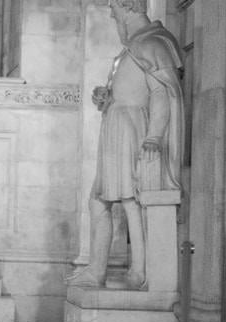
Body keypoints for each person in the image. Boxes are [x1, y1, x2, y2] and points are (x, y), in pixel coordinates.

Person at [67, 0, 183, 289]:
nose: (111, 14)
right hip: (116, 126)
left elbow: (161, 93)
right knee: (99, 200)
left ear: (129, 6)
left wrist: (155, 135)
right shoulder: (131, 48)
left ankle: (140, 270)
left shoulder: (153, 43)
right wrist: (106, 97)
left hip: (133, 129)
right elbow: (129, 88)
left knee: (132, 200)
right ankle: (96, 270)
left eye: (114, 8)